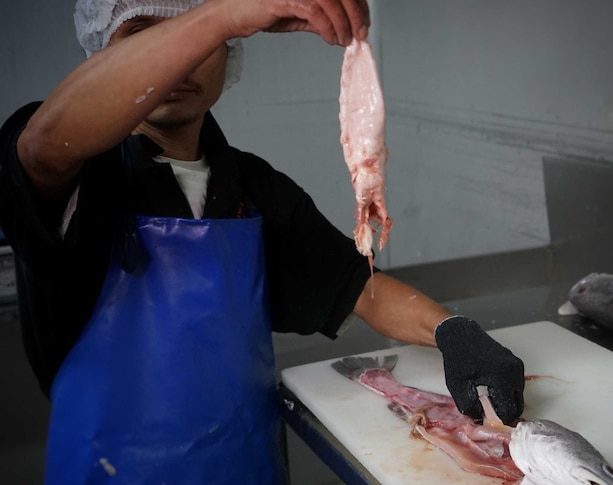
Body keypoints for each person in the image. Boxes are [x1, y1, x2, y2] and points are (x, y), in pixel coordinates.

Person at [0, 0, 525, 483]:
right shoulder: (74, 174)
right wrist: (220, 14)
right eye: (143, 37)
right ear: (102, 56)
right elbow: (46, 143)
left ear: (228, 57)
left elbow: (359, 288)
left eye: (194, 39)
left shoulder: (253, 187)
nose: (177, 59)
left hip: (245, 465)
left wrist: (453, 332)